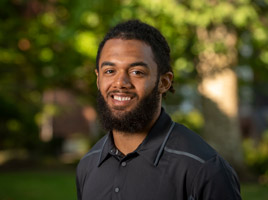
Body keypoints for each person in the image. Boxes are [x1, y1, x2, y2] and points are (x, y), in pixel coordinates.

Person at [76, 19, 241, 200]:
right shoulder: (88, 165)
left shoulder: (204, 168)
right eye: (110, 71)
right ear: (98, 79)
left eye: (137, 72)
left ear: (164, 82)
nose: (120, 83)